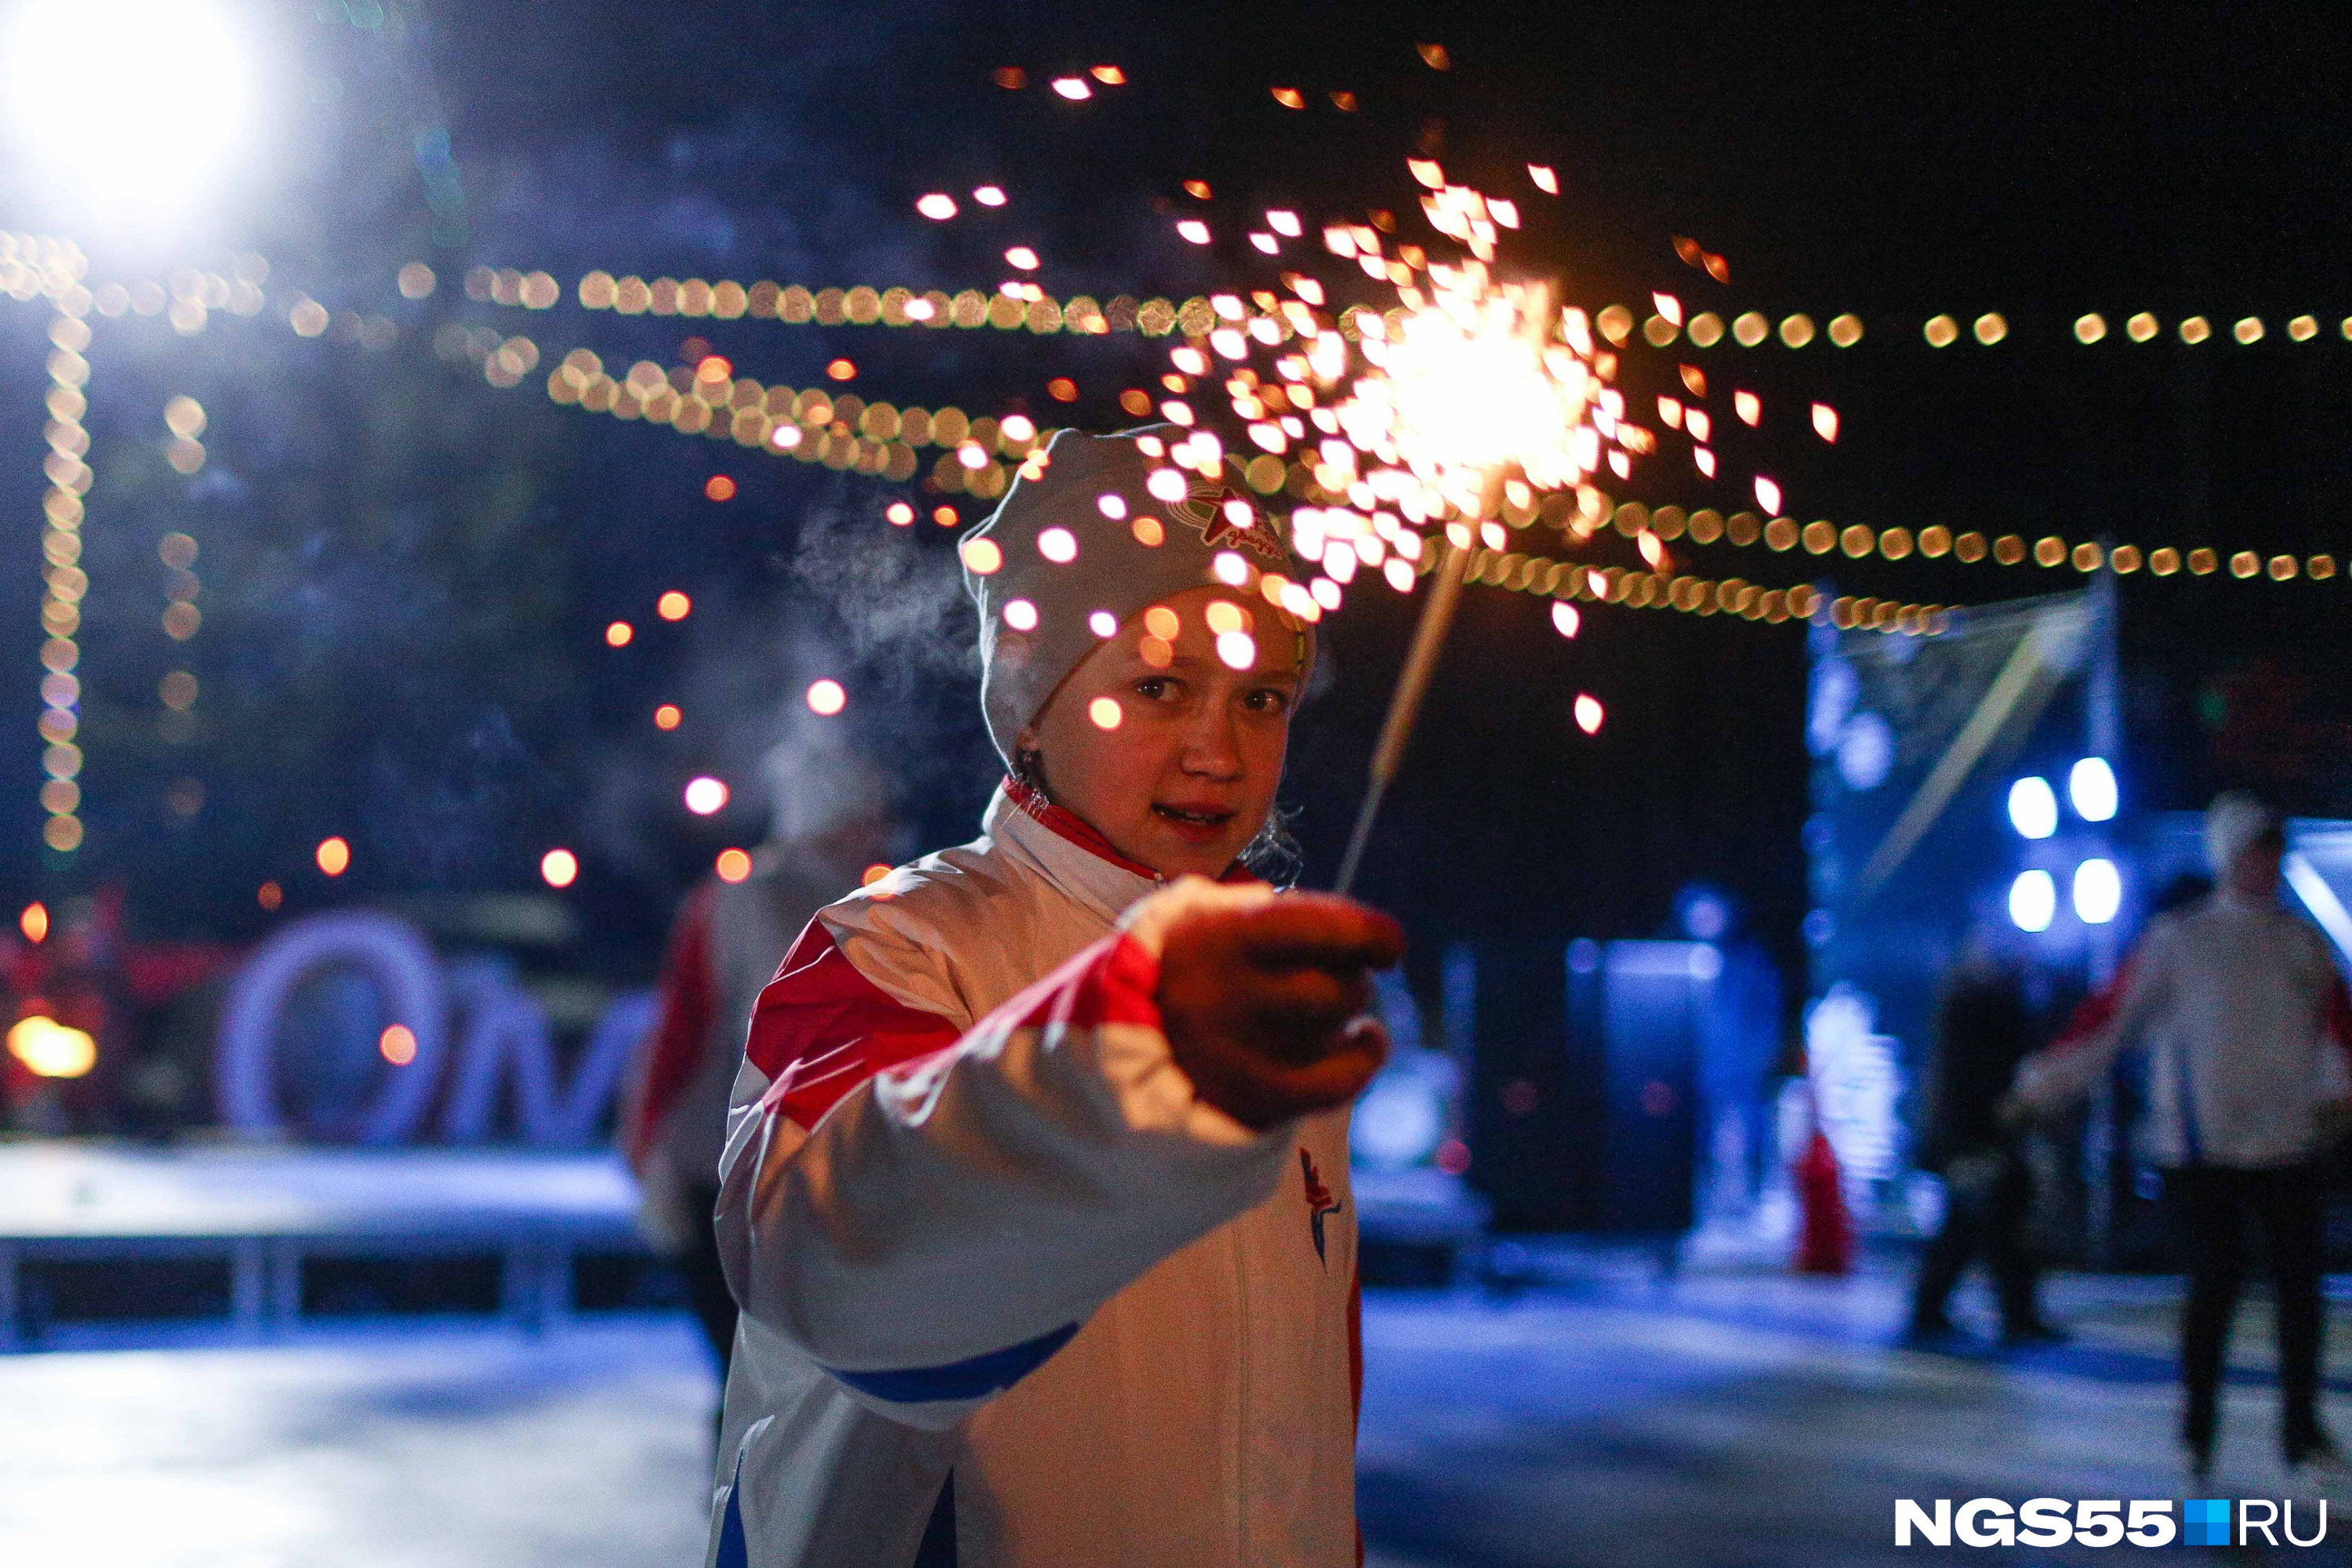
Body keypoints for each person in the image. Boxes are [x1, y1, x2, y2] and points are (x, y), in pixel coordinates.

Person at [706, 428, 1402, 1566]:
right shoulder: (895, 949)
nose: (1218, 753)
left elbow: (1297, 1446)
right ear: (1033, 706)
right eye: (1161, 688)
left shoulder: (1267, 994)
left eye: (1262, 697)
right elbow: (832, 1267)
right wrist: (1138, 1062)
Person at [2013, 793, 2352, 1475]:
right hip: (2206, 1151)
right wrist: (2042, 1085)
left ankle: (2302, 1431)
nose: (2267, 861)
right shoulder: (2181, 939)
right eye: (2255, 847)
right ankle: (2198, 1431)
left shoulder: (2302, 943)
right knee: (2213, 1293)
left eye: (2273, 848)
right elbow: (2111, 1022)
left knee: (2298, 1297)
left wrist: (2337, 1099)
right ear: (2228, 855)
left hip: (2289, 1144)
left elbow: (2337, 1036)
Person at [621, 724, 895, 1394]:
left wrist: (647, 1139)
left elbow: (679, 1029)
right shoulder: (859, 908)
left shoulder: (741, 896)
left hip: (724, 1165)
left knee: (751, 1382)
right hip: (773, 1172)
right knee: (779, 1385)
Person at [1906, 931, 2056, 1345]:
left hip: (1973, 1127)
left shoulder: (1968, 999)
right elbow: (1976, 1073)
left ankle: (1945, 1308)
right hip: (1979, 1129)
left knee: (1977, 1220)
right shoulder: (1982, 1003)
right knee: (1992, 1218)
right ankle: (2010, 1313)